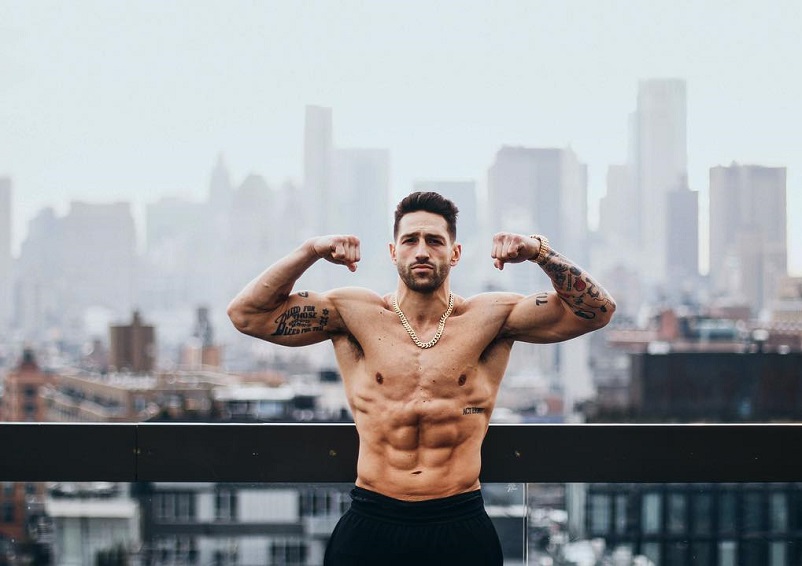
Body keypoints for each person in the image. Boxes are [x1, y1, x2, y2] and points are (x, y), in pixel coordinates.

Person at [227, 191, 616, 565]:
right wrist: (310, 250)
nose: (422, 251)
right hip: (372, 519)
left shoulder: (491, 317)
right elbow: (247, 315)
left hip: (458, 521)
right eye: (410, 240)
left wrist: (540, 252)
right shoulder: (354, 314)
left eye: (435, 240)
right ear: (394, 252)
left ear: (455, 253)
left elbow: (597, 311)